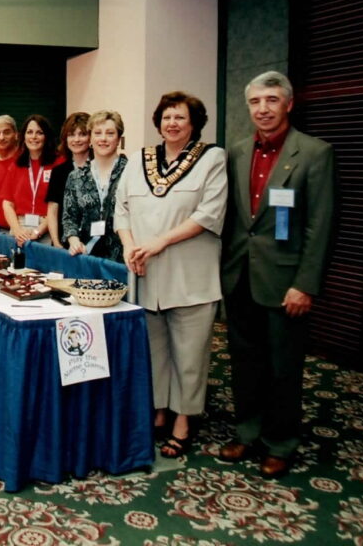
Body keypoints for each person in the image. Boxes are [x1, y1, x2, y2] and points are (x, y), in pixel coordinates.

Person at [218, 71, 337, 479]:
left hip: (286, 282)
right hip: (240, 276)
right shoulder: (236, 151)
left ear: (289, 103)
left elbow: (321, 225)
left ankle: (280, 442)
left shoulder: (315, 153)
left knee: (283, 367)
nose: (263, 109)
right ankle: (247, 432)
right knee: (244, 362)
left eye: (271, 100)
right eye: (255, 102)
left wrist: (305, 284)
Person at [114, 92, 227, 459]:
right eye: (166, 117)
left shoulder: (212, 158)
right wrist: (130, 246)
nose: (172, 123)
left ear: (194, 123)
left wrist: (160, 242)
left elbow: (208, 214)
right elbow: (121, 209)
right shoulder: (138, 160)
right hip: (145, 273)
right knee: (155, 352)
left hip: (190, 276)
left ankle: (183, 420)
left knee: (189, 355)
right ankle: (159, 410)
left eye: (180, 117)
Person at [62, 110, 128, 262]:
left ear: (119, 139)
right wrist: (74, 241)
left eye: (110, 133)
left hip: (122, 258)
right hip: (86, 256)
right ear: (90, 139)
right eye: (97, 133)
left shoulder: (131, 173)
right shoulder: (76, 177)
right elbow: (69, 218)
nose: (103, 138)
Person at [0, 114, 63, 245]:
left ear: (46, 137)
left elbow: (59, 206)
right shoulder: (16, 165)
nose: (33, 137)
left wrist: (38, 231)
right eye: (29, 132)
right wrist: (17, 230)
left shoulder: (58, 164)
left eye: (39, 133)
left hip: (47, 227)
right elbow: (7, 204)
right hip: (19, 227)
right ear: (23, 136)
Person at [46, 112, 90, 246]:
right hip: (64, 242)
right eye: (71, 135)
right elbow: (53, 210)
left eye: (82, 134)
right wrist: (56, 242)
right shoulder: (58, 172)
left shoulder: (98, 168)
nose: (76, 139)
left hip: (93, 243)